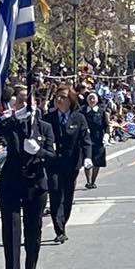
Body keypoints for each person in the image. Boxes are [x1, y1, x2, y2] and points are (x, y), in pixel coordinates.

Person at [0, 86, 55, 269]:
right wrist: (16, 116)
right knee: (11, 233)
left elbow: (53, 157)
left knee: (33, 232)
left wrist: (39, 151)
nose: (25, 105)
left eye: (28, 101)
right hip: (11, 184)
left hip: (35, 184)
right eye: (20, 101)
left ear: (36, 104)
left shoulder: (45, 127)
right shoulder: (11, 123)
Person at [42, 87, 92, 245]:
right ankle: (59, 230)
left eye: (63, 97)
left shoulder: (79, 118)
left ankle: (63, 222)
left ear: (70, 100)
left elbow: (85, 140)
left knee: (67, 196)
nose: (59, 100)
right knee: (55, 193)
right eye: (57, 97)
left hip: (71, 163)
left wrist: (87, 157)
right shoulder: (48, 118)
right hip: (53, 163)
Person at [81, 90, 108, 189]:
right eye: (90, 98)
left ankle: (93, 181)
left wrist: (106, 135)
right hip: (86, 138)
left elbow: (106, 125)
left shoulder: (101, 111)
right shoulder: (82, 111)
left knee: (97, 161)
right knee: (87, 160)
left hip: (98, 139)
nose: (91, 100)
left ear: (97, 100)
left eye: (93, 98)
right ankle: (88, 181)